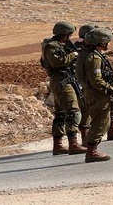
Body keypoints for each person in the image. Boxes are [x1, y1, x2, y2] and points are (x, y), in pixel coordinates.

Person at [41, 21, 87, 155]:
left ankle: (58, 145)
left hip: (64, 80)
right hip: (61, 82)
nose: (70, 37)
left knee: (60, 113)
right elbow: (57, 62)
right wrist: (73, 55)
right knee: (73, 111)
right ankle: (73, 143)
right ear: (64, 34)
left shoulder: (60, 45)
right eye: (69, 34)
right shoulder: (51, 46)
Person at [75, 27, 113, 162]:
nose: (108, 44)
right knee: (100, 122)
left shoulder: (88, 54)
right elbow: (96, 80)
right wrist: (110, 89)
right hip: (97, 94)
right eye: (106, 42)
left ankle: (92, 149)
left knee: (101, 121)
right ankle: (91, 151)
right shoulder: (94, 58)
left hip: (92, 92)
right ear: (99, 42)